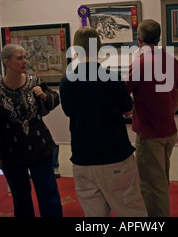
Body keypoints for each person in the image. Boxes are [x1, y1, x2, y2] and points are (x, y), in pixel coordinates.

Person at [59, 27, 147, 217]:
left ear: (75, 49)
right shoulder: (112, 77)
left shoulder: (66, 81)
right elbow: (128, 110)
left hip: (83, 158)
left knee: (94, 215)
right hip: (114, 156)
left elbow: (68, 112)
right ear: (99, 48)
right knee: (131, 211)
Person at [0, 44, 62, 217]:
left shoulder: (35, 82)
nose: (25, 62)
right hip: (12, 152)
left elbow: (54, 101)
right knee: (21, 198)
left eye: (25, 57)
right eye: (19, 58)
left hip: (40, 146)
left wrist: (45, 95)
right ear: (7, 63)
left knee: (49, 196)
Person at [125, 19, 178, 217]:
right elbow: (177, 94)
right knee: (161, 181)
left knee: (152, 187)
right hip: (169, 131)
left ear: (139, 39)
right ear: (158, 39)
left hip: (150, 135)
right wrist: (168, 115)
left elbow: (123, 94)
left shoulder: (140, 63)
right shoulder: (172, 61)